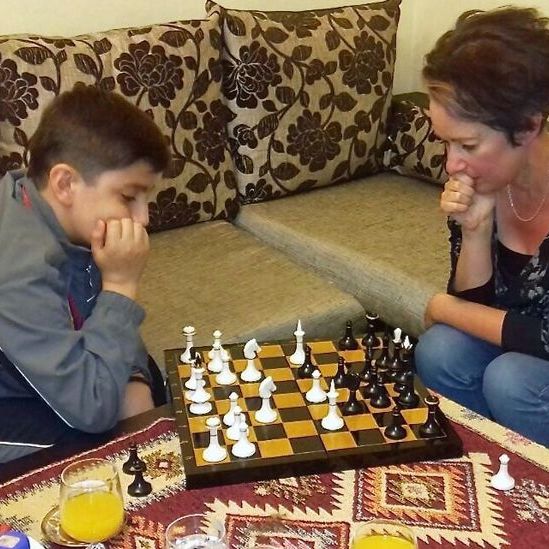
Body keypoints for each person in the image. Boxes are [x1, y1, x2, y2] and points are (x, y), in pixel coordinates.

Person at [0, 84, 170, 462]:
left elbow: (98, 313)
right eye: (128, 197)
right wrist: (122, 284)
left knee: (149, 381)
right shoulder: (18, 270)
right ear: (65, 183)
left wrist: (134, 380)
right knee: (95, 438)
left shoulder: (40, 199)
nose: (143, 218)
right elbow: (93, 408)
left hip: (40, 361)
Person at [415, 6, 549, 447]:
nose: (452, 164)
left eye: (467, 145)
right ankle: (487, 470)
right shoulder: (489, 184)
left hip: (528, 368)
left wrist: (442, 306)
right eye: (446, 143)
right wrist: (475, 229)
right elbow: (475, 309)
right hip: (524, 356)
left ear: (528, 126)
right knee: (442, 350)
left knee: (513, 380)